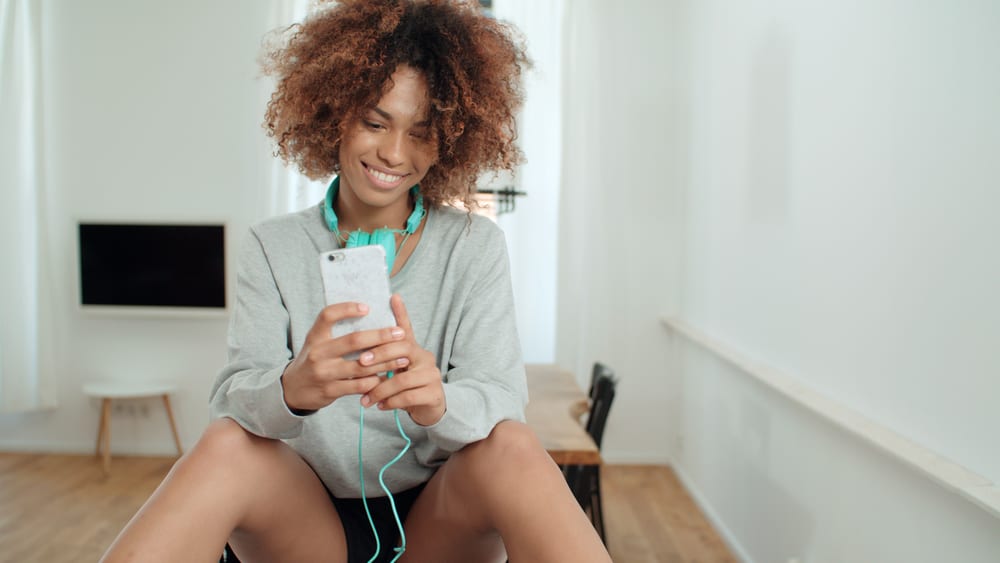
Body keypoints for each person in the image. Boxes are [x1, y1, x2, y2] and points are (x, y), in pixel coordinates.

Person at [100, 1, 612, 562]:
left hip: (436, 518)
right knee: (226, 441)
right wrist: (291, 388)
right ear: (334, 112)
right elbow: (233, 397)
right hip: (302, 517)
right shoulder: (273, 246)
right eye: (374, 122)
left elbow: (501, 398)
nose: (394, 153)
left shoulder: (473, 244)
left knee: (512, 443)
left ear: (451, 140)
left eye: (422, 133)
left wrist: (439, 401)